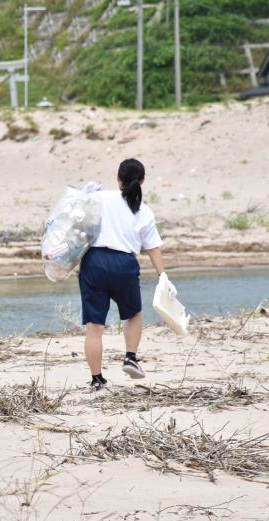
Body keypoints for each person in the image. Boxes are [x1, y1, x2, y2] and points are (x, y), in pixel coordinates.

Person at [79, 158, 174, 391]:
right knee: (133, 314)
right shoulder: (144, 210)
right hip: (124, 264)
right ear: (142, 180)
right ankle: (130, 357)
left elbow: (76, 219)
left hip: (94, 262)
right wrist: (163, 275)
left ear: (118, 178)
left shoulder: (100, 198)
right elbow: (152, 246)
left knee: (94, 327)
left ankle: (97, 380)